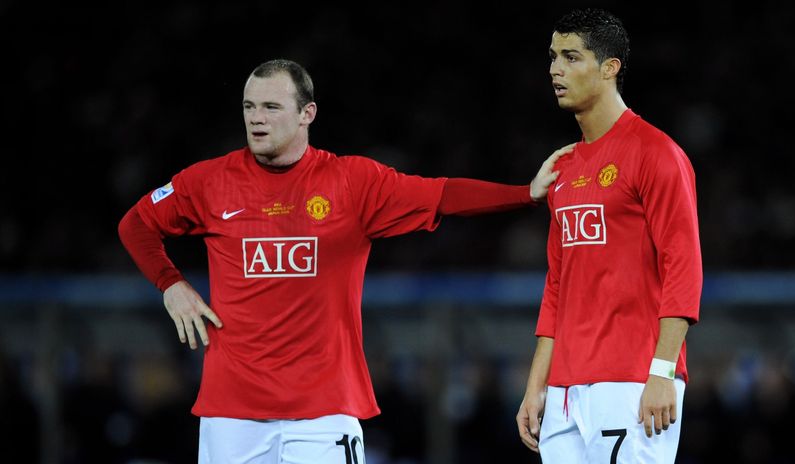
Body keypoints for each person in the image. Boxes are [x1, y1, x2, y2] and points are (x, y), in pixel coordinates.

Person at [118, 58, 571, 463]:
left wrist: (523, 194)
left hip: (323, 414)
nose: (256, 118)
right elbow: (136, 224)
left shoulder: (351, 183)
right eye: (249, 106)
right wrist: (170, 284)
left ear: (306, 114)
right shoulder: (209, 182)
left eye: (271, 107)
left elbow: (442, 193)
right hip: (231, 415)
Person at [515, 8, 702, 464]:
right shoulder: (564, 170)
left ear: (609, 67)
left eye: (571, 57)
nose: (555, 69)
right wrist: (536, 385)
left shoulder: (656, 153)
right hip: (564, 390)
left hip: (632, 379)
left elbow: (684, 267)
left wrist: (661, 372)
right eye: (553, 57)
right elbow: (557, 287)